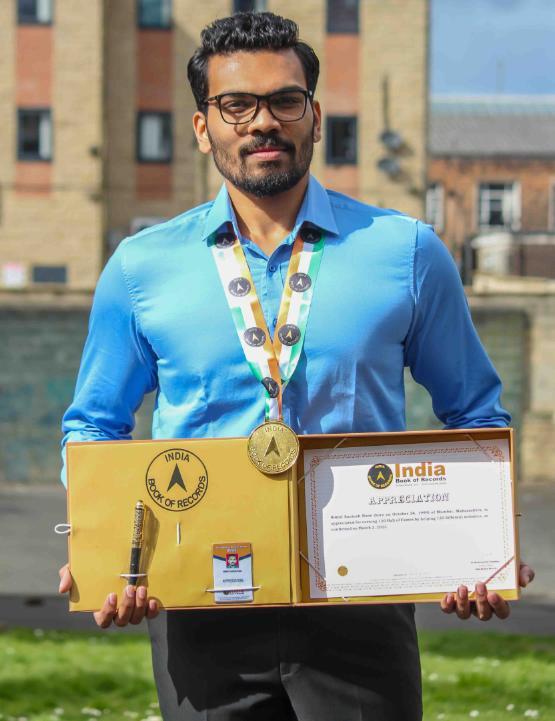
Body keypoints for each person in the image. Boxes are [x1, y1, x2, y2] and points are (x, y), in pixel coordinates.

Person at [58, 12, 535, 721]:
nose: (262, 122)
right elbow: (93, 422)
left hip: (361, 600)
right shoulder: (140, 266)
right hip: (199, 598)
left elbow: (474, 411)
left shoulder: (405, 251)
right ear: (201, 127)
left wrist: (482, 548)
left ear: (313, 117)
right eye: (236, 105)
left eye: (284, 101)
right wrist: (100, 551)